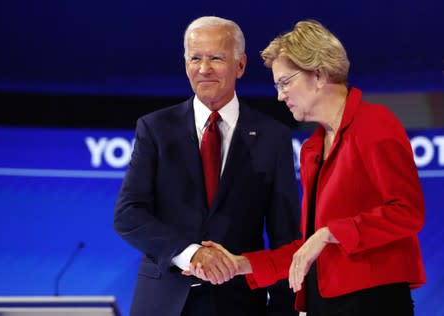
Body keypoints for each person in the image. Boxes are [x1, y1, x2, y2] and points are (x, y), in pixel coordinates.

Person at [186, 19, 426, 316]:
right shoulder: (312, 149)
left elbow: (407, 212)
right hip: (322, 303)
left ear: (319, 74)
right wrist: (241, 264)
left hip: (372, 301)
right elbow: (307, 249)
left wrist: (328, 233)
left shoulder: (374, 124)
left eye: (285, 82)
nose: (279, 95)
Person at [113, 16, 300, 316]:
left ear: (240, 65)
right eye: (195, 58)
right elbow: (128, 215)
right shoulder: (155, 128)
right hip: (163, 302)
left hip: (239, 304)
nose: (203, 69)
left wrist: (284, 310)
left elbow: (285, 236)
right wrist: (191, 254)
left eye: (216, 58)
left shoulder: (272, 136)